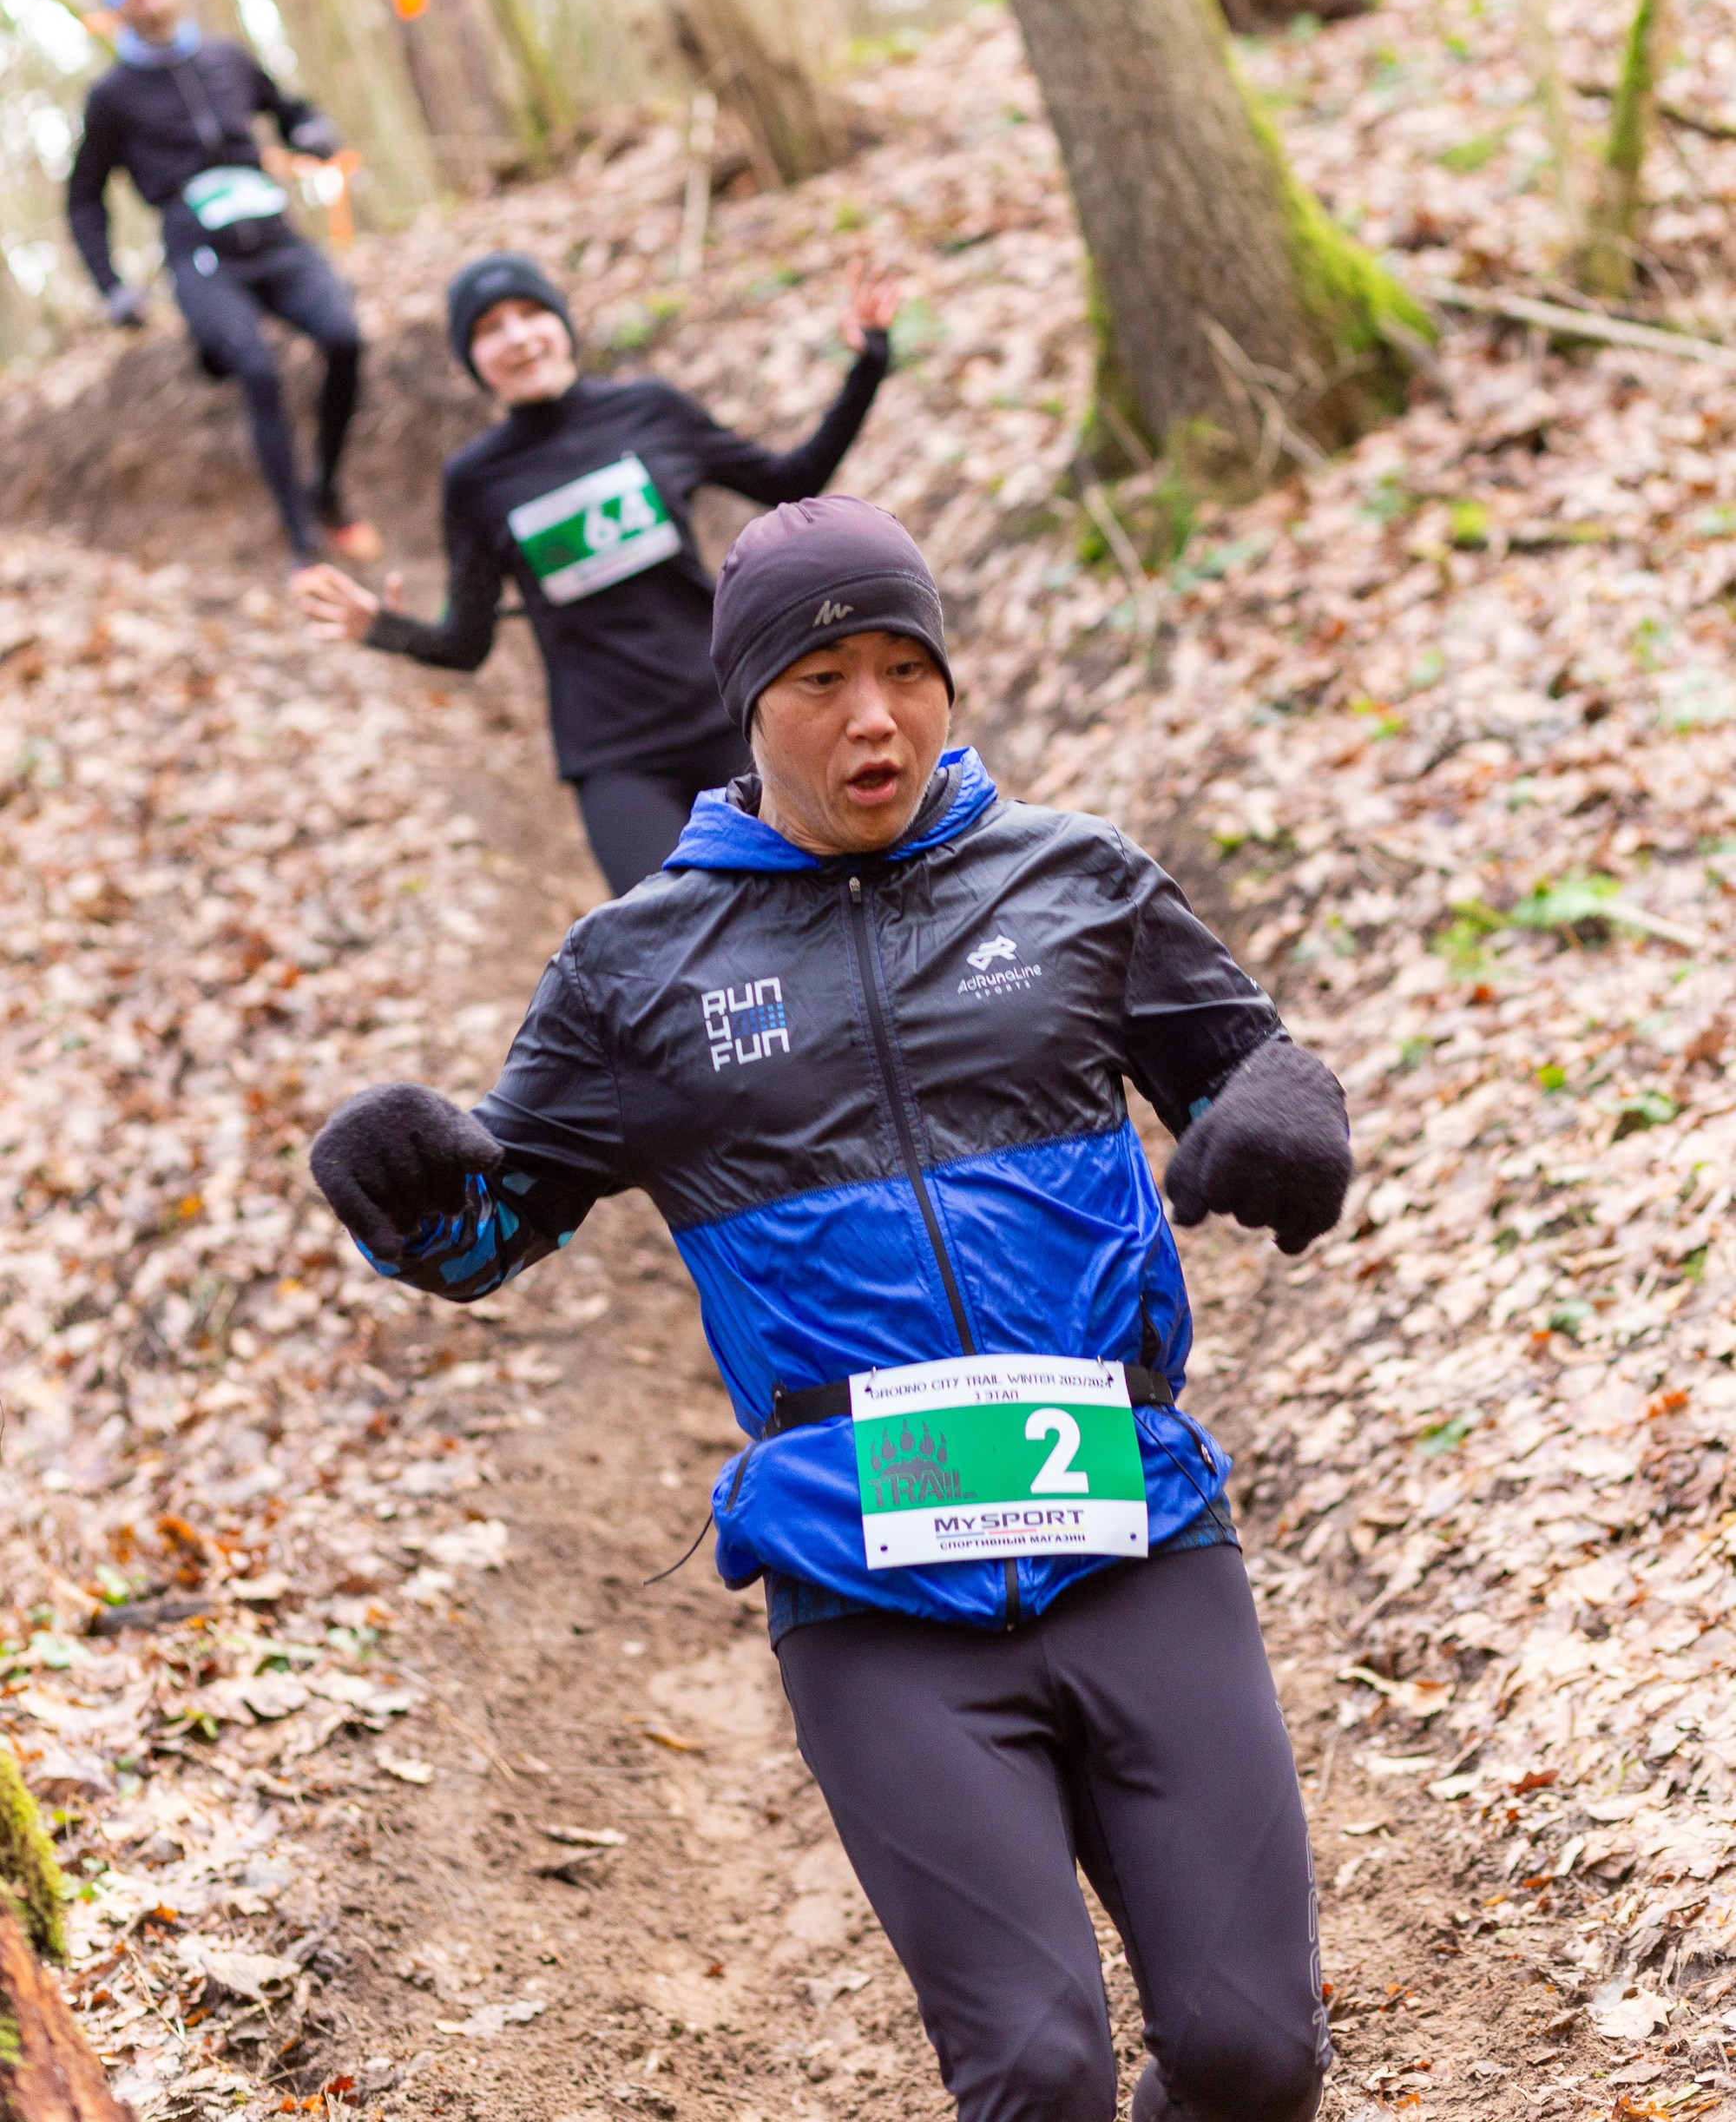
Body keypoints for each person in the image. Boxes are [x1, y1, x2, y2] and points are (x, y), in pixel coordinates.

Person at [307, 494, 1354, 2122]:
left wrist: (1290, 1114)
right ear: (749, 708)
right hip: (867, 1576)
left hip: (1134, 1526)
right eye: (820, 679)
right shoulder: (631, 970)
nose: (874, 715)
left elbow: (1253, 1067)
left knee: (1254, 2059)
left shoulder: (1079, 884)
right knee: (1039, 2065)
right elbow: (488, 1233)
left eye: (905, 668)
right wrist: (414, 1197)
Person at [294, 249, 900, 897]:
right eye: (490, 328)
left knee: (817, 903)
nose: (518, 337)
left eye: (530, 314)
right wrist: (380, 628)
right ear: (474, 361)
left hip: (733, 716)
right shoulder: (474, 480)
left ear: (561, 323)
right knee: (670, 943)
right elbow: (467, 643)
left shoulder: (649, 410)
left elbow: (792, 480)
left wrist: (867, 365)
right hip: (616, 759)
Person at [66, 0, 377, 567]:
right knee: (258, 372)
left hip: (274, 233)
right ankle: (301, 545)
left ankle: (327, 489)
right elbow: (83, 199)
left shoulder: (226, 58)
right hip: (198, 251)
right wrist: (112, 287)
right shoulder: (111, 97)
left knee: (344, 338)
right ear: (117, 5)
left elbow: (288, 107)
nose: (150, 1)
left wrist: (313, 130)